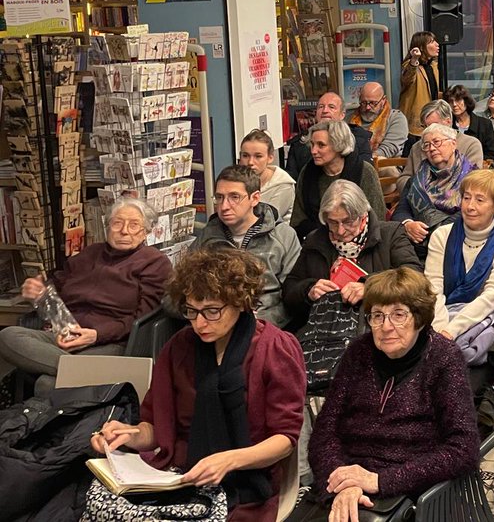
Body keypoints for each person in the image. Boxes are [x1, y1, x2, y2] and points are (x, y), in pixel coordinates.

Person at [90, 248, 305, 522]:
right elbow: (157, 428)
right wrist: (129, 435)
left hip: (245, 483)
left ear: (241, 302)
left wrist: (230, 459)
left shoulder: (274, 348)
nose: (200, 323)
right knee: (98, 502)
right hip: (181, 476)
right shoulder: (179, 347)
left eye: (212, 311)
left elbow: (285, 439)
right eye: (191, 311)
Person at [293, 269, 479, 521]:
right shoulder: (358, 352)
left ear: (420, 318)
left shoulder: (444, 358)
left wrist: (379, 481)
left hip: (412, 489)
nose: (386, 327)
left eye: (398, 314)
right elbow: (325, 432)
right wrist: (343, 481)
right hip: (346, 481)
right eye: (377, 315)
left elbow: (462, 450)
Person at [0, 198, 171, 389]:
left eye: (134, 225)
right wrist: (38, 291)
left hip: (112, 342)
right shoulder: (89, 253)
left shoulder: (155, 263)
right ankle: (79, 370)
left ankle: (72, 371)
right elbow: (56, 284)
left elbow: (144, 320)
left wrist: (97, 335)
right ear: (107, 226)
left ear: (146, 232)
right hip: (66, 334)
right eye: (117, 223)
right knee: (8, 335)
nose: (124, 230)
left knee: (46, 384)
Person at [283, 180, 419, 330]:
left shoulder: (390, 234)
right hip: (325, 330)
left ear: (362, 215)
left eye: (348, 222)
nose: (340, 231)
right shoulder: (315, 240)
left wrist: (370, 287)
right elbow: (290, 289)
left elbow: (414, 276)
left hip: (377, 326)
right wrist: (309, 290)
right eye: (333, 222)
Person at [423, 169, 494, 365]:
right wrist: (440, 329)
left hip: (481, 315)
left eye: (480, 200)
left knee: (465, 351)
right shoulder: (441, 235)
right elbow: (433, 288)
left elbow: (491, 297)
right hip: (438, 313)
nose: (470, 206)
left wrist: (451, 332)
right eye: (466, 198)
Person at [193, 165, 300, 328]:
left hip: (265, 325)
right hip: (215, 324)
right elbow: (176, 293)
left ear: (255, 198)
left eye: (234, 197)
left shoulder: (282, 236)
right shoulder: (208, 236)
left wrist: (261, 322)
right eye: (219, 197)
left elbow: (293, 297)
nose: (224, 206)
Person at [292, 120, 386, 242]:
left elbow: (377, 218)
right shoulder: (308, 173)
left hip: (359, 242)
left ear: (338, 145)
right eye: (312, 144)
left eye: (321, 145)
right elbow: (297, 219)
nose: (313, 151)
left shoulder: (364, 172)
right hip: (316, 242)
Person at [396, 123, 475, 262]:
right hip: (417, 244)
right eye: (426, 145)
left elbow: (470, 212)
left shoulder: (473, 177)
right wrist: (408, 224)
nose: (432, 148)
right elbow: (401, 211)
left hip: (458, 241)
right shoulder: (416, 180)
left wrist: (435, 231)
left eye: (437, 142)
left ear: (453, 144)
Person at [396, 100, 484, 192]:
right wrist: (418, 188)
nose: (429, 131)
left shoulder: (471, 144)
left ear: (448, 122)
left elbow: (473, 180)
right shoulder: (417, 147)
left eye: (434, 125)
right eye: (425, 127)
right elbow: (403, 179)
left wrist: (437, 191)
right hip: (419, 199)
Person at [285, 92, 373, 177]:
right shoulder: (300, 143)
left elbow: (366, 175)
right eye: (321, 107)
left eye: (331, 107)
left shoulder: (358, 138)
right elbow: (291, 181)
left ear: (342, 115)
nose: (325, 111)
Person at [240, 129, 296, 225]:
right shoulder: (236, 181)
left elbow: (265, 222)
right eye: (245, 156)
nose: (250, 162)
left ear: (270, 158)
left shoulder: (283, 185)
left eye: (258, 156)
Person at [398, 31, 441, 145]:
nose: (437, 44)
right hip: (415, 126)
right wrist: (414, 60)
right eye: (432, 42)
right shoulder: (411, 65)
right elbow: (406, 80)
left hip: (432, 121)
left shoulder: (433, 66)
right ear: (421, 47)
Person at [349, 82, 409, 159]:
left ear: (383, 100)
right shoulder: (349, 118)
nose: (368, 107)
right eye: (364, 103)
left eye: (373, 103)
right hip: (354, 163)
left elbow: (389, 148)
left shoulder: (396, 118)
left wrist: (367, 159)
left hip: (386, 163)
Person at [446, 84, 494, 162]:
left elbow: (492, 154)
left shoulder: (484, 124)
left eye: (458, 100)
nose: (454, 105)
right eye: (451, 101)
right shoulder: (447, 125)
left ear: (466, 101)